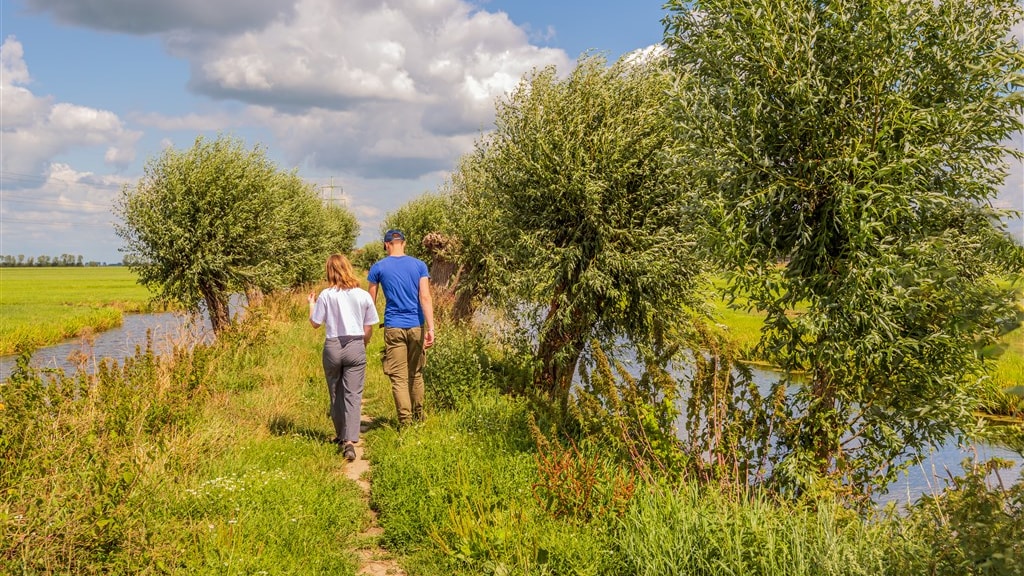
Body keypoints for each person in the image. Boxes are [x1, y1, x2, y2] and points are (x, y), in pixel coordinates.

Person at [308, 253, 379, 461]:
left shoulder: (326, 295)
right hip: (355, 344)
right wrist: (362, 345)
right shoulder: (362, 295)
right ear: (348, 268)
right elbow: (368, 327)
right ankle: (350, 441)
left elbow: (315, 323)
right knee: (353, 395)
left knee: (335, 392)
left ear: (329, 271)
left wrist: (311, 303)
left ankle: (340, 435)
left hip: (333, 345)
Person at [367, 229, 436, 427]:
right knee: (416, 374)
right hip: (417, 325)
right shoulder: (419, 265)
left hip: (393, 326)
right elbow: (425, 297)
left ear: (386, 245)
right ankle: (419, 418)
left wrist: (366, 329)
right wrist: (431, 328)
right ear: (403, 243)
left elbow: (370, 301)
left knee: (398, 378)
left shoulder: (378, 267)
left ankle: (405, 424)